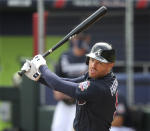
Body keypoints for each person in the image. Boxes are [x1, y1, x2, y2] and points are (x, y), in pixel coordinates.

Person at [21, 42, 118, 131]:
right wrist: (39, 77)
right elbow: (67, 82)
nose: (93, 65)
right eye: (92, 60)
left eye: (99, 63)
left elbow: (59, 84)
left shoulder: (98, 87)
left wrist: (42, 66)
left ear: (110, 65)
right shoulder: (105, 76)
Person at [51, 33, 90, 131]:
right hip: (64, 104)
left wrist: (68, 91)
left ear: (88, 39)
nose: (80, 41)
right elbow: (57, 92)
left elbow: (90, 89)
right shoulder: (64, 56)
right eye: (78, 38)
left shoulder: (91, 58)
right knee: (57, 128)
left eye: (83, 38)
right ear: (73, 39)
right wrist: (75, 91)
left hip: (82, 105)